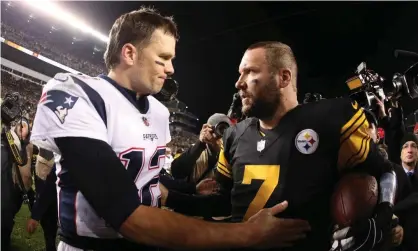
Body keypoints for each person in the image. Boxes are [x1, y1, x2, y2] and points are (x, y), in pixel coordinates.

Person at [30, 8, 310, 251]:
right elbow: (127, 215)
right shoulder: (76, 93)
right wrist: (247, 233)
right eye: (162, 58)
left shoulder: (159, 112)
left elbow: (151, 185)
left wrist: (190, 192)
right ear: (129, 53)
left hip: (146, 242)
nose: (171, 68)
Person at [214, 41, 397, 251]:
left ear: (284, 77)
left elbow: (384, 171)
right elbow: (221, 201)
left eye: (250, 72)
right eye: (240, 73)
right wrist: (172, 197)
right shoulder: (234, 134)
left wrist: (381, 218)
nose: (239, 83)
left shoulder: (332, 119)